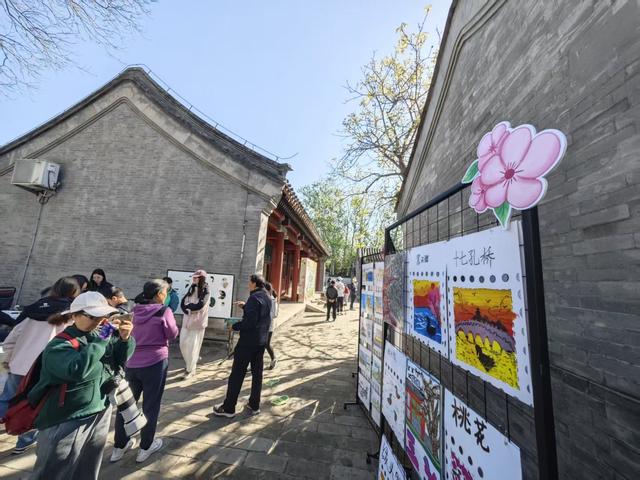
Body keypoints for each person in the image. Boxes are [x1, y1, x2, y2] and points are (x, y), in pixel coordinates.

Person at [29, 292, 135, 480]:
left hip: (100, 408)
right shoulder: (59, 344)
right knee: (54, 471)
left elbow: (119, 360)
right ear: (75, 315)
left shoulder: (99, 334)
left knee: (88, 467)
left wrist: (125, 339)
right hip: (67, 416)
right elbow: (77, 370)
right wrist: (102, 338)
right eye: (93, 317)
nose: (99, 321)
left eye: (103, 316)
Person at [0, 276, 81, 455]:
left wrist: (8, 358)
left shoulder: (34, 308)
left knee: (7, 398)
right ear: (74, 292)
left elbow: (12, 337)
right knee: (35, 404)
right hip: (43, 368)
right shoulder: (71, 314)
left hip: (19, 363)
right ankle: (24, 441)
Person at [111, 279, 178, 463]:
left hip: (131, 362)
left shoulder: (134, 311)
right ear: (159, 294)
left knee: (126, 404)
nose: (166, 295)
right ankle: (146, 446)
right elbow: (172, 334)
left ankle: (119, 446)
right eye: (165, 292)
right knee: (151, 405)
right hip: (155, 362)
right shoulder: (164, 311)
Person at [213, 274, 271, 418]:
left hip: (247, 342)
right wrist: (245, 307)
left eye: (249, 282)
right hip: (261, 341)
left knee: (237, 374)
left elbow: (250, 322)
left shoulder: (254, 298)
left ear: (254, 283)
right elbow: (258, 315)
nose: (248, 284)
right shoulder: (267, 297)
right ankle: (254, 404)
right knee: (257, 374)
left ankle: (229, 408)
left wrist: (234, 326)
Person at [179, 270, 210, 379]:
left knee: (193, 347)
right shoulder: (192, 288)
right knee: (183, 344)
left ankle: (190, 370)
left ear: (201, 278)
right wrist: (186, 308)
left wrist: (189, 307)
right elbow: (183, 302)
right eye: (194, 277)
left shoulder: (206, 290)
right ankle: (190, 364)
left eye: (196, 277)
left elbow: (201, 305)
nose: (194, 279)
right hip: (186, 322)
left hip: (197, 324)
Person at [264, 282, 278, 370]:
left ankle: (273, 358)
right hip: (261, 325)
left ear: (269, 290)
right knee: (259, 344)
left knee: (266, 344)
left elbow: (274, 314)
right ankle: (255, 363)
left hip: (269, 326)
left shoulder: (273, 300)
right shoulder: (264, 298)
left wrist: (263, 315)